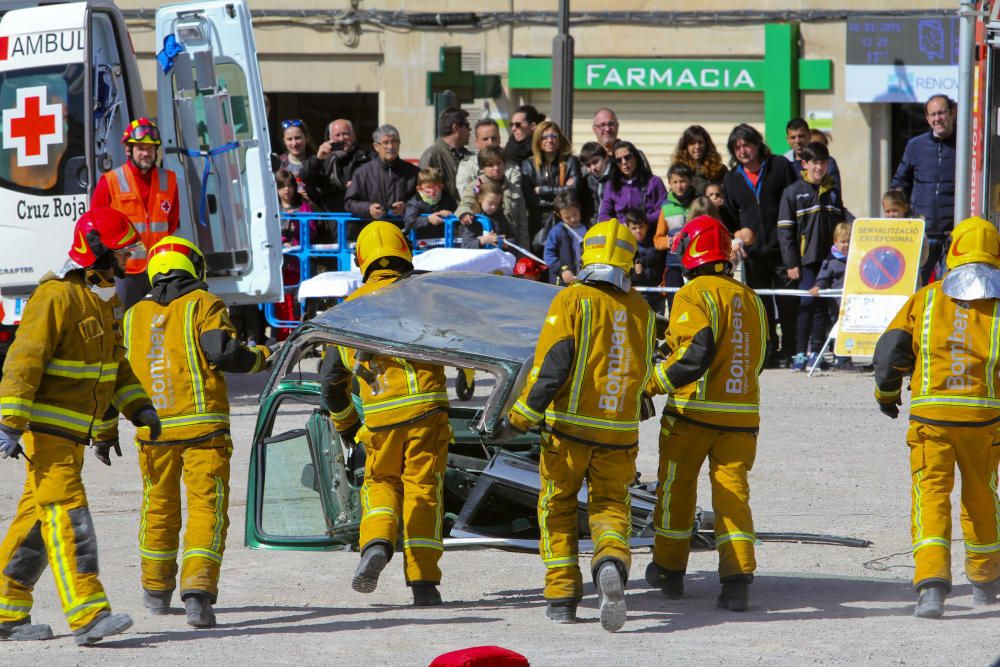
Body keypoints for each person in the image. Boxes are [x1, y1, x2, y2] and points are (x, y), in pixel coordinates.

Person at [0, 208, 161, 645]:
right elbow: (24, 359)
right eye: (121, 251)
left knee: (35, 522)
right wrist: (10, 423)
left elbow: (113, 367)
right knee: (70, 516)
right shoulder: (55, 297)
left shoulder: (102, 298)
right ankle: (88, 614)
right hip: (47, 432)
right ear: (96, 251)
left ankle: (6, 611)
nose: (128, 259)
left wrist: (137, 410)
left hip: (72, 435)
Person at [505, 220, 656, 631]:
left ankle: (562, 597)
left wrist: (520, 416)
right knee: (611, 507)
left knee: (557, 509)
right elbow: (642, 374)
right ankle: (610, 561)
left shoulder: (572, 300)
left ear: (586, 255)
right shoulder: (642, 309)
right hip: (619, 433)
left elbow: (553, 367)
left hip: (568, 433)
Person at [123, 236, 271, 628]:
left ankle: (155, 593)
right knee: (207, 509)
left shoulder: (134, 315)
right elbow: (223, 353)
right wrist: (262, 358)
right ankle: (198, 596)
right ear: (196, 268)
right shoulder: (204, 304)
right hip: (203, 429)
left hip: (153, 432)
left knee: (158, 507)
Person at [872, 216, 1000, 619]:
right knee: (982, 498)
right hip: (985, 421)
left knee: (930, 497)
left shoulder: (925, 299)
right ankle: (985, 582)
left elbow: (891, 352)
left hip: (931, 420)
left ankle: (931, 586)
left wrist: (887, 394)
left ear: (952, 250)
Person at [318, 222, 452, 607]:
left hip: (379, 419)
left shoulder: (347, 311)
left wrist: (347, 426)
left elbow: (330, 381)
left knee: (381, 484)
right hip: (426, 410)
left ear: (361, 260)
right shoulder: (426, 296)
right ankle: (425, 584)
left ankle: (376, 543)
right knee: (423, 490)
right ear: (405, 251)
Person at [644, 215, 768, 613]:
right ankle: (737, 582)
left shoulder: (693, 294)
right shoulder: (752, 299)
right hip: (741, 418)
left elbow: (693, 354)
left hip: (692, 414)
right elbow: (761, 359)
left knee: (676, 491)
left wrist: (649, 383)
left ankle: (669, 570)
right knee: (733, 497)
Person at [722, 123, 798, 367]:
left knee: (788, 304)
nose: (743, 150)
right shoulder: (732, 178)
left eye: (747, 145)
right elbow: (731, 216)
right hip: (754, 256)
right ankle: (768, 352)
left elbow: (795, 201)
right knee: (761, 307)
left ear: (757, 144)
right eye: (738, 147)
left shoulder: (779, 166)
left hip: (783, 250)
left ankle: (791, 351)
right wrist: (738, 239)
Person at [776, 141, 853, 371]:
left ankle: (816, 353)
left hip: (830, 259)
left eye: (823, 163)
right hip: (805, 261)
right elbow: (785, 230)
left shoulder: (832, 191)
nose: (819, 167)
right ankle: (800, 352)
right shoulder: (793, 192)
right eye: (814, 163)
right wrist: (791, 262)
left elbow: (841, 219)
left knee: (823, 307)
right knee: (806, 304)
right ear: (805, 164)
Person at [92, 117, 180, 309]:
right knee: (125, 327)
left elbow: (171, 223)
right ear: (128, 150)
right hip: (125, 274)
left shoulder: (170, 180)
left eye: (150, 148)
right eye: (140, 148)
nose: (146, 153)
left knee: (158, 329)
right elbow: (96, 227)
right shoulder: (110, 181)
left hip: (159, 271)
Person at [891, 95, 957, 284]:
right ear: (927, 119)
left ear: (952, 113)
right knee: (914, 284)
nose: (937, 118)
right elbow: (899, 183)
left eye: (941, 113)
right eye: (933, 114)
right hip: (922, 233)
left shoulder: (967, 143)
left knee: (949, 287)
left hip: (952, 232)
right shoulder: (915, 145)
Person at [520, 121, 582, 247]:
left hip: (566, 223)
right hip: (539, 225)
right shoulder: (528, 165)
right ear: (537, 139)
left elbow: (573, 192)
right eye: (544, 137)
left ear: (559, 139)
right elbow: (531, 201)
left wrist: (542, 190)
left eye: (554, 136)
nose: (549, 140)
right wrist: (562, 191)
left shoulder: (570, 162)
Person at [456, 145, 529, 246]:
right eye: (490, 165)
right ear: (482, 168)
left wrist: (523, 252)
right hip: (482, 245)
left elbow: (522, 225)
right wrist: (464, 214)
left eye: (499, 163)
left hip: (508, 245)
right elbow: (465, 204)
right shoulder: (475, 186)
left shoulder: (514, 190)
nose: (496, 168)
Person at [344, 125, 419, 221]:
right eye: (386, 142)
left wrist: (406, 207)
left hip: (405, 231)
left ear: (399, 144)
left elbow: (424, 200)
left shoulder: (413, 172)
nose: (391, 147)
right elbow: (349, 203)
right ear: (376, 146)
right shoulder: (363, 173)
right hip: (373, 230)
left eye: (394, 142)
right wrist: (368, 209)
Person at [300, 118, 372, 213]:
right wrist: (318, 159)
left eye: (345, 134)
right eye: (337, 135)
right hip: (332, 216)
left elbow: (377, 179)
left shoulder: (367, 157)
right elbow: (306, 178)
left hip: (358, 215)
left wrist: (359, 184)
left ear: (354, 136)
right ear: (330, 138)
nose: (342, 138)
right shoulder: (324, 158)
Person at [809, 221, 852, 369]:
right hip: (836, 304)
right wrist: (817, 287)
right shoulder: (831, 260)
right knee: (837, 330)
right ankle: (841, 358)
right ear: (835, 242)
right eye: (843, 242)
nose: (846, 245)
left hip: (852, 303)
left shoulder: (856, 259)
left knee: (849, 330)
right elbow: (823, 277)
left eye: (849, 242)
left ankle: (846, 358)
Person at [653, 163, 698, 302]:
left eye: (683, 181)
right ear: (670, 183)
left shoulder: (698, 203)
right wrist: (670, 241)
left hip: (696, 265)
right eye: (675, 182)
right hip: (673, 266)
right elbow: (657, 240)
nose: (679, 186)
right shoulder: (666, 207)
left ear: (690, 181)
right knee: (675, 305)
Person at [598, 140, 666, 226]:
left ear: (636, 157)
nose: (624, 162)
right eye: (619, 160)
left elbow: (663, 211)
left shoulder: (654, 182)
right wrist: (620, 225)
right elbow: (604, 215)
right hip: (621, 233)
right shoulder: (611, 185)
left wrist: (640, 221)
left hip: (648, 233)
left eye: (627, 157)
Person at [419, 107, 471, 201]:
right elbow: (424, 194)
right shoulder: (432, 155)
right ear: (456, 128)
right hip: (444, 215)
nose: (470, 130)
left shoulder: (470, 157)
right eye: (467, 126)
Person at [455, 118, 512, 197]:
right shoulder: (467, 167)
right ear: (477, 142)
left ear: (499, 139)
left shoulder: (512, 168)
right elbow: (467, 197)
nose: (490, 142)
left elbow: (513, 197)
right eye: (485, 139)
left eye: (494, 138)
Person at [625, 209, 666, 314]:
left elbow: (665, 265)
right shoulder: (626, 248)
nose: (638, 231)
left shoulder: (656, 242)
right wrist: (636, 273)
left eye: (641, 227)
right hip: (637, 296)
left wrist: (664, 282)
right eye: (634, 228)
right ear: (627, 228)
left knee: (659, 327)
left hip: (658, 294)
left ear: (647, 226)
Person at [542, 192, 588, 285]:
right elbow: (548, 255)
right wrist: (562, 270)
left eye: (575, 214)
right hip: (562, 283)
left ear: (579, 208)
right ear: (559, 216)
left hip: (584, 281)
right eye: (567, 217)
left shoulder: (588, 230)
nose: (572, 219)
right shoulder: (557, 231)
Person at [784, 118, 841, 192]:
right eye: (793, 137)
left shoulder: (828, 162)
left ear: (809, 136)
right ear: (788, 140)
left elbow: (835, 194)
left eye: (801, 136)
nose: (797, 141)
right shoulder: (783, 163)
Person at [672, 125, 729, 195]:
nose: (697, 147)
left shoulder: (719, 169)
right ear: (686, 147)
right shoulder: (679, 170)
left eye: (700, 142)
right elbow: (673, 195)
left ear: (706, 145)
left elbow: (727, 195)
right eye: (692, 143)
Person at [404, 167, 456, 243]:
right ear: (419, 189)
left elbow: (458, 218)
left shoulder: (447, 198)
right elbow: (409, 223)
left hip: (444, 241)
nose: (432, 190)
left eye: (435, 186)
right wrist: (428, 219)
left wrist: (451, 215)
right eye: (428, 187)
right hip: (420, 242)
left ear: (441, 186)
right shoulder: (414, 203)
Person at [460, 179, 515, 249]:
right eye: (490, 203)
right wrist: (483, 241)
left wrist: (506, 243)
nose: (494, 207)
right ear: (480, 199)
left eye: (497, 204)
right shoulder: (473, 219)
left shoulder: (500, 216)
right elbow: (466, 245)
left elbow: (511, 237)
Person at [276, 119, 316, 200]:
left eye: (297, 138)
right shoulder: (278, 164)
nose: (294, 143)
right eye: (289, 139)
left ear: (307, 138)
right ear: (284, 141)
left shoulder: (316, 161)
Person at [580, 142, 611, 226]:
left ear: (606, 157)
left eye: (595, 162)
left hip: (613, 225)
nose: (593, 168)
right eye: (588, 165)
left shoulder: (616, 176)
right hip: (592, 226)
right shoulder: (586, 179)